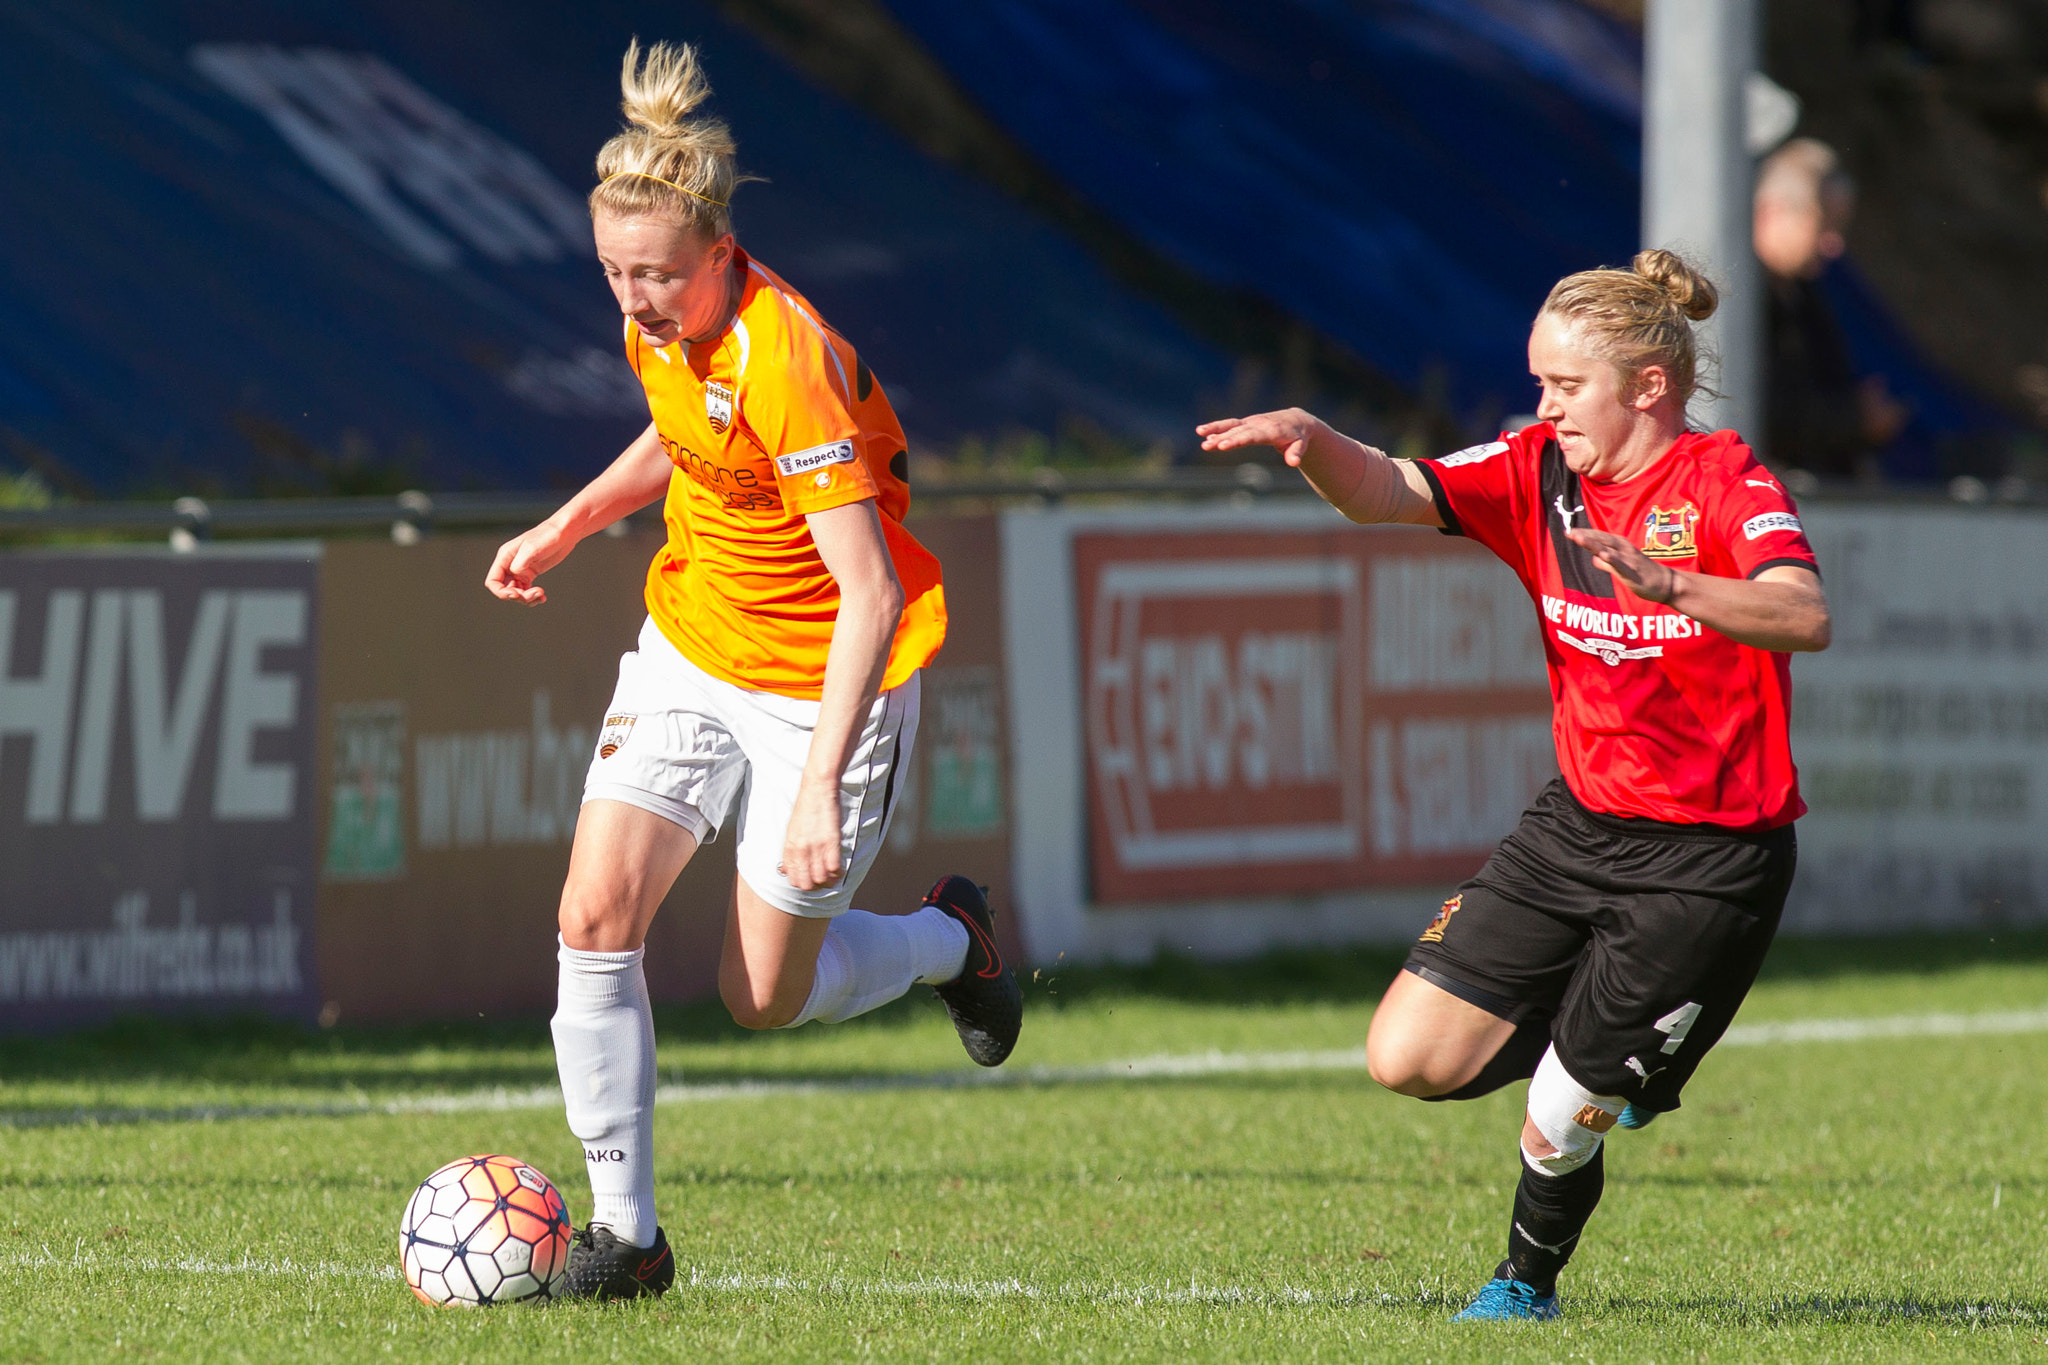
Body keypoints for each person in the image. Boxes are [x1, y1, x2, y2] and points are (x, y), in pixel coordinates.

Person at [1198, 250, 1830, 1322]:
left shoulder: (1725, 484)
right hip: (1574, 829)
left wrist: (1674, 582)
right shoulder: (1535, 467)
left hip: (1708, 859)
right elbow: (1392, 490)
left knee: (1556, 1110)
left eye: (1563, 386)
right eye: (1538, 383)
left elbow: (1801, 613)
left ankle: (1521, 1284)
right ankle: (1615, 1052)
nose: (1544, 405)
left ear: (1646, 386)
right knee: (1404, 1058)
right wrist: (1313, 445)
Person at [485, 40, 1022, 1301]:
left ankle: (952, 941)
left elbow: (872, 592)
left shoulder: (789, 360)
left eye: (658, 275)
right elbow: (681, 441)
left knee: (762, 997)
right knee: (590, 920)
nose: (634, 299)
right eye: (614, 272)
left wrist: (815, 786)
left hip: (824, 678)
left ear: (722, 254)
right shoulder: (656, 326)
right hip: (691, 644)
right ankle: (627, 1237)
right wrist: (568, 524)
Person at [1754, 138, 1907, 480]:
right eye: (1824, 225)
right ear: (1771, 212)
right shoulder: (1731, 302)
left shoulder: (1805, 297)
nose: (1834, 245)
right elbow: (1748, 406)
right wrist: (1854, 419)